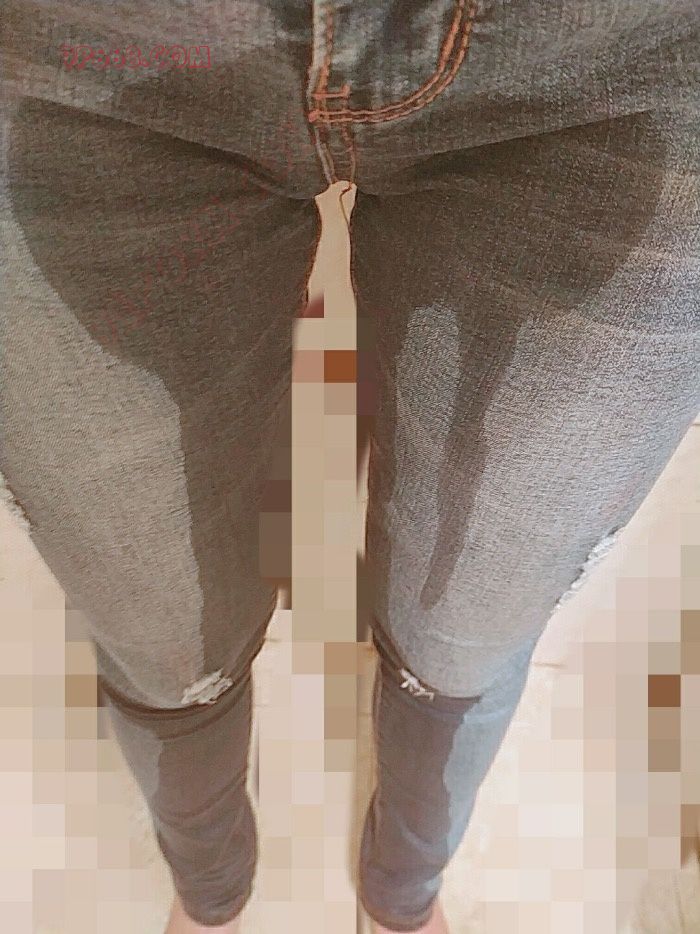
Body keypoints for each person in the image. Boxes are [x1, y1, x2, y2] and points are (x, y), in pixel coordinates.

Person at [1, 2, 698, 932]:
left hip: (619, 48)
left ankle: (402, 891)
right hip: (84, 41)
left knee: (465, 632)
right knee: (162, 635)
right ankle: (213, 890)